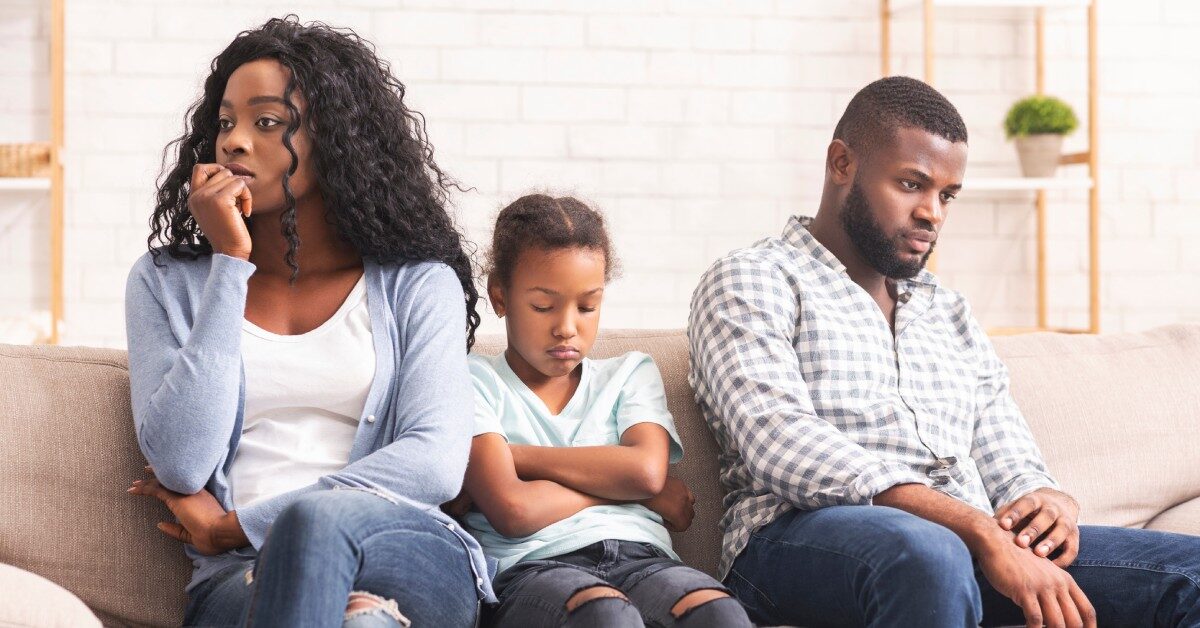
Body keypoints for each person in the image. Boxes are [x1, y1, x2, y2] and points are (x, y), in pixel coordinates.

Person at [688, 75, 1200, 627]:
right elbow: (778, 440)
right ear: (841, 164)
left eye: (946, 195)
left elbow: (1004, 446)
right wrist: (974, 528)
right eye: (911, 184)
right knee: (929, 552)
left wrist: (1047, 500)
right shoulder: (751, 279)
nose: (933, 213)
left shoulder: (947, 311)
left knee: (1190, 573)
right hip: (797, 543)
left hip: (971, 549)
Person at [125, 17, 491, 627]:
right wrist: (229, 265)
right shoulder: (165, 283)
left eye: (267, 122)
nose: (234, 142)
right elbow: (182, 462)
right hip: (242, 576)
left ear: (338, 141)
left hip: (405, 550)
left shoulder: (419, 284)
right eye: (224, 122)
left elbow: (433, 462)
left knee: (320, 529)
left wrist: (239, 524)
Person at [451, 194, 752, 627]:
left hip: (644, 559)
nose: (567, 327)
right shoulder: (475, 378)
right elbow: (514, 511)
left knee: (719, 614)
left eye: (587, 306)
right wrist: (635, 491)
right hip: (535, 569)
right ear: (500, 296)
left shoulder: (630, 374)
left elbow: (646, 471)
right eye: (543, 306)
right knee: (605, 615)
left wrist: (517, 457)